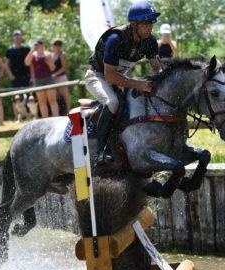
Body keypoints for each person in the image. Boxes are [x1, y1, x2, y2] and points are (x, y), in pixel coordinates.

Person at [85, 0, 161, 165]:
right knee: (112, 103)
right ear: (134, 24)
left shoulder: (150, 41)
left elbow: (157, 67)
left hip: (119, 78)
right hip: (97, 76)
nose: (150, 27)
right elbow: (111, 77)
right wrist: (139, 84)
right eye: (146, 23)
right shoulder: (115, 39)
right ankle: (100, 151)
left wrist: (160, 71)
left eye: (151, 23)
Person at [25, 39, 59, 118]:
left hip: (49, 79)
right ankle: (45, 119)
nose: (38, 45)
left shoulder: (48, 54)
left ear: (43, 45)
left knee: (52, 100)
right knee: (42, 101)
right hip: (38, 80)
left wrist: (48, 62)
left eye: (40, 43)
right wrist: (31, 50)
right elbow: (26, 63)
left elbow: (53, 68)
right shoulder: (33, 54)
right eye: (36, 44)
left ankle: (56, 118)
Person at [51, 40, 70, 113]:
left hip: (61, 77)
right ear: (52, 46)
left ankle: (68, 112)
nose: (57, 46)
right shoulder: (51, 55)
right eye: (55, 45)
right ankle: (60, 112)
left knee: (65, 96)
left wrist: (55, 74)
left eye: (59, 45)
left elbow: (64, 68)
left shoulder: (62, 54)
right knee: (56, 96)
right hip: (53, 79)